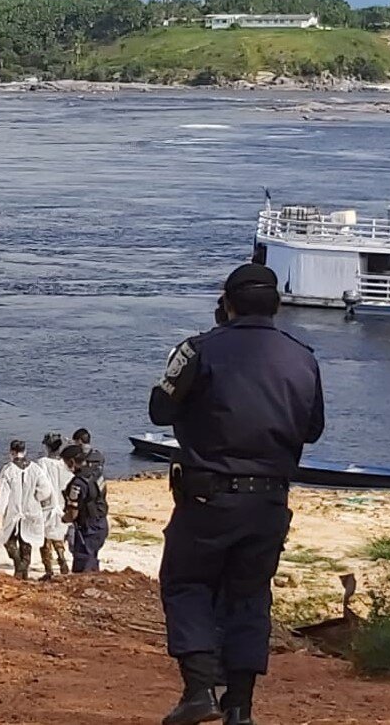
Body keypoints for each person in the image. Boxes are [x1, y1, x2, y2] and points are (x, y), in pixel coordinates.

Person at [149, 263, 325, 725]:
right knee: (249, 596)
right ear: (278, 305)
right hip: (269, 501)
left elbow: (158, 411)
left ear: (225, 304)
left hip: (207, 497)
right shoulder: (303, 357)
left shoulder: (198, 350)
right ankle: (240, 709)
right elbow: (313, 430)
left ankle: (199, 689)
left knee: (187, 583)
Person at [0, 440, 54, 581]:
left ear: (12, 453)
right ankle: (23, 572)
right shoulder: (35, 469)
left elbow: (3, 492)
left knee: (9, 540)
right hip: (31, 510)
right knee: (26, 542)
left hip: (14, 511)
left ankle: (18, 565)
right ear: (25, 451)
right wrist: (36, 498)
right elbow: (46, 489)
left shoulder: (8, 470)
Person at [61, 444, 109, 573]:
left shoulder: (77, 484)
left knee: (83, 564)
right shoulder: (97, 473)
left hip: (88, 527)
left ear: (71, 461)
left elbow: (72, 513)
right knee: (92, 558)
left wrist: (64, 519)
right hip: (102, 523)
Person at [34, 432, 75, 579]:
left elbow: (39, 483)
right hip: (62, 503)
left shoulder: (42, 463)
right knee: (58, 533)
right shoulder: (65, 464)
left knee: (44, 538)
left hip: (46, 503)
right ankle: (62, 559)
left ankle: (49, 569)